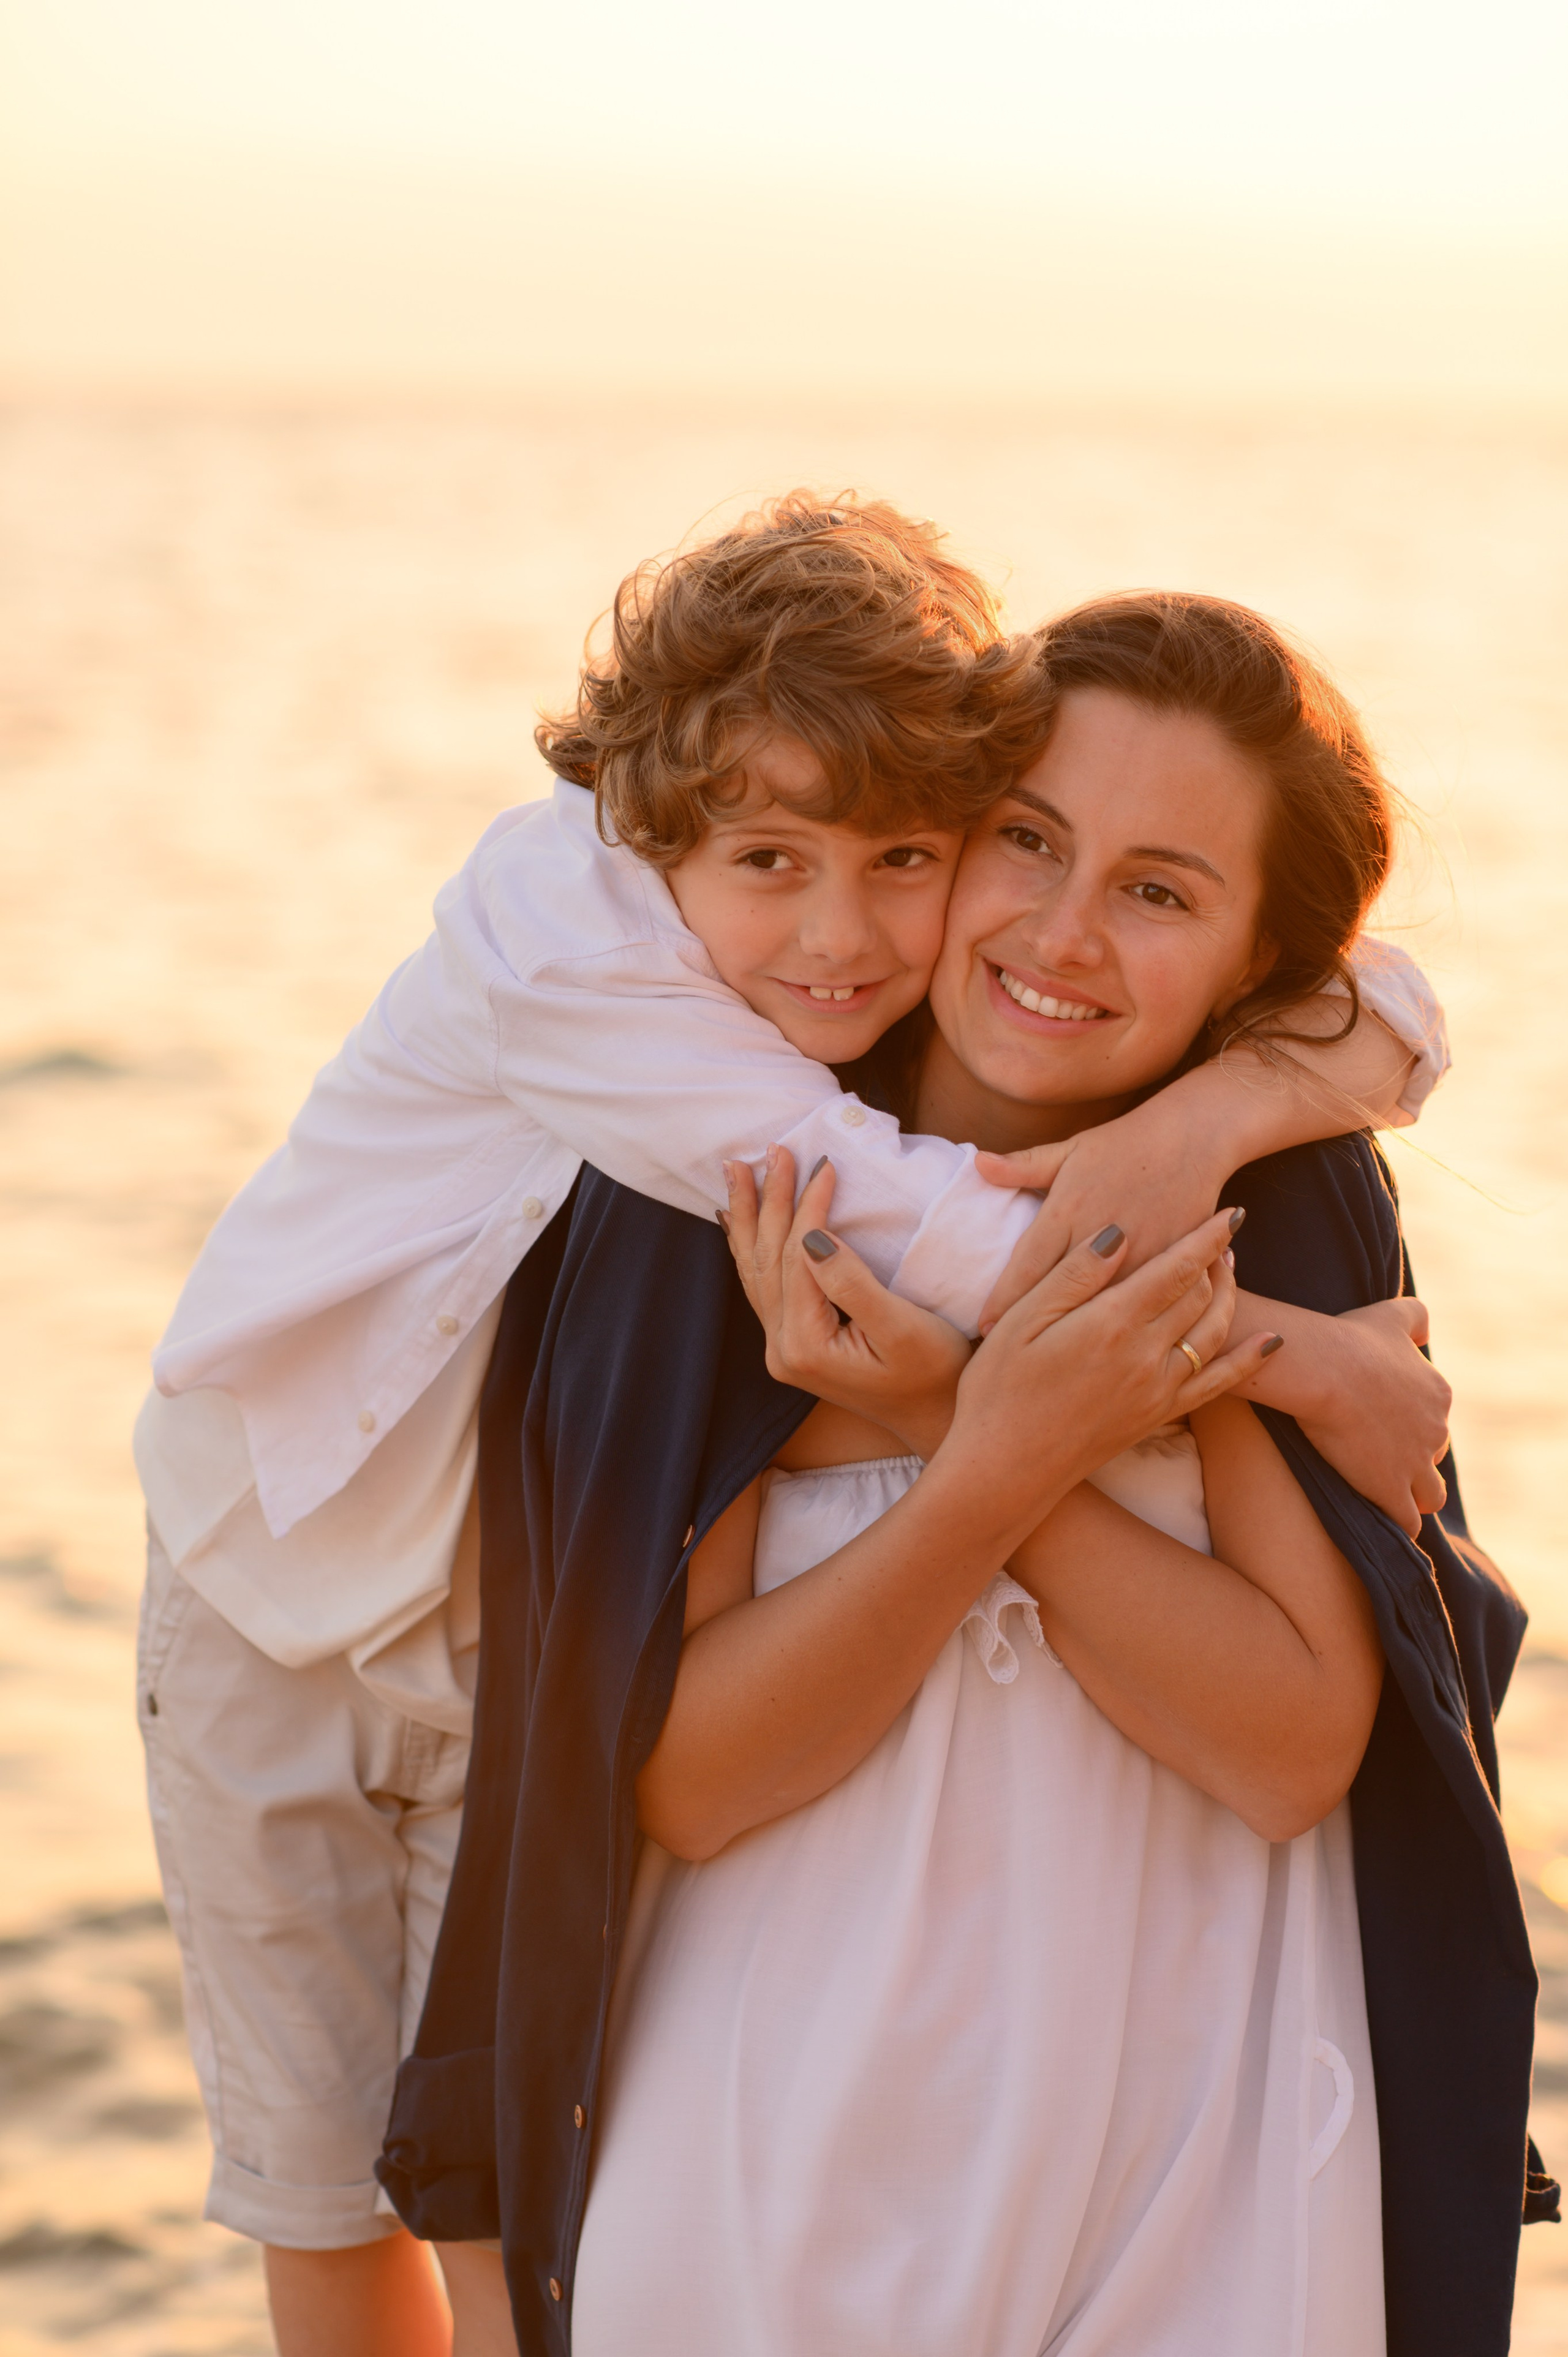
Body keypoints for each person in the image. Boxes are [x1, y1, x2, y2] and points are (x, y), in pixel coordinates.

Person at [134, 501, 1450, 2355]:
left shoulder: (1192, 1142)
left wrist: (1206, 1128)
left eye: (901, 855)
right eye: (1030, 847)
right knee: (321, 2179)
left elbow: (1380, 999)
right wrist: (1302, 1361)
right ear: (657, 828)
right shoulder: (653, 1045)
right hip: (287, 1582)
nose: (843, 930)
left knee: (490, 2191)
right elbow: (920, 1240)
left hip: (536, 1648)